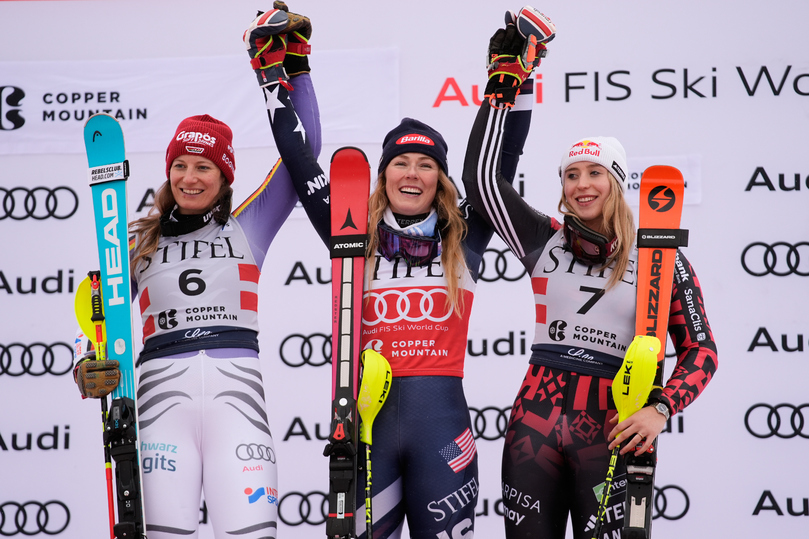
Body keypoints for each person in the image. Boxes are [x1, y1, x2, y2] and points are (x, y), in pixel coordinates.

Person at [243, 6, 552, 538]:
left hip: (443, 433)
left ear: (440, 179)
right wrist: (274, 75)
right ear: (383, 175)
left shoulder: (464, 236)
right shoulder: (351, 233)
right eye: (400, 163)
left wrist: (513, 82)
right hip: (368, 432)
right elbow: (299, 161)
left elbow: (501, 165)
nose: (412, 173)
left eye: (426, 165)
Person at [461, 11, 719, 539]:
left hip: (614, 430)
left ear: (616, 182)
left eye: (595, 172)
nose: (582, 185)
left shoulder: (661, 258)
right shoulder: (544, 239)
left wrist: (661, 408)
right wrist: (506, 83)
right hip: (534, 425)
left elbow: (702, 351)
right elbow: (481, 180)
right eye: (571, 175)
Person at [71, 7, 316, 538]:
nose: (189, 177)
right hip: (160, 403)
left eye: (204, 166)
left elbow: (307, 153)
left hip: (238, 404)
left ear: (224, 177)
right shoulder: (134, 240)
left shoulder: (250, 225)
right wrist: (85, 363)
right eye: (180, 165)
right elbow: (95, 318)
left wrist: (294, 69)